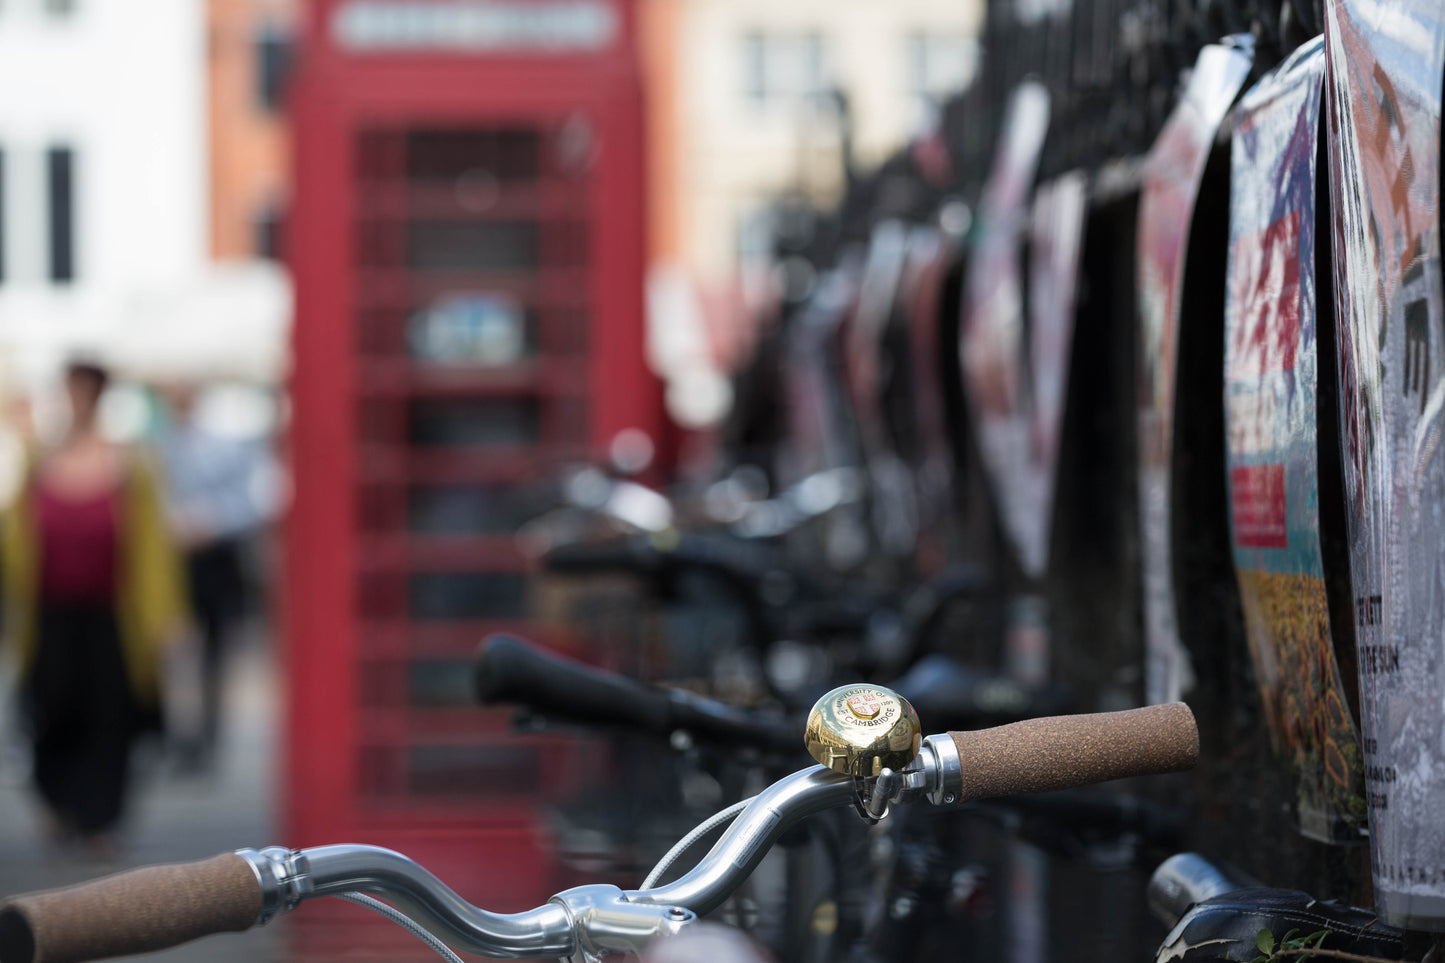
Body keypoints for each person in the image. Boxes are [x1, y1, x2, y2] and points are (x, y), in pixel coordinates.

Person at [0, 360, 188, 855]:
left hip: (113, 616)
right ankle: (60, 804)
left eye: (87, 390)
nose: (78, 399)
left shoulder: (130, 464)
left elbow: (154, 548)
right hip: (49, 616)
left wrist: (167, 617)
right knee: (51, 710)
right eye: (71, 390)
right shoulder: (39, 459)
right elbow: (14, 538)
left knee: (112, 717)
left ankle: (101, 817)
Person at [154, 381, 278, 769]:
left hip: (216, 560)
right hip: (170, 562)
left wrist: (213, 522)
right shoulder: (154, 448)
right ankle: (173, 737)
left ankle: (209, 739)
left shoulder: (227, 445)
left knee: (215, 654)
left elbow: (255, 500)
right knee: (171, 653)